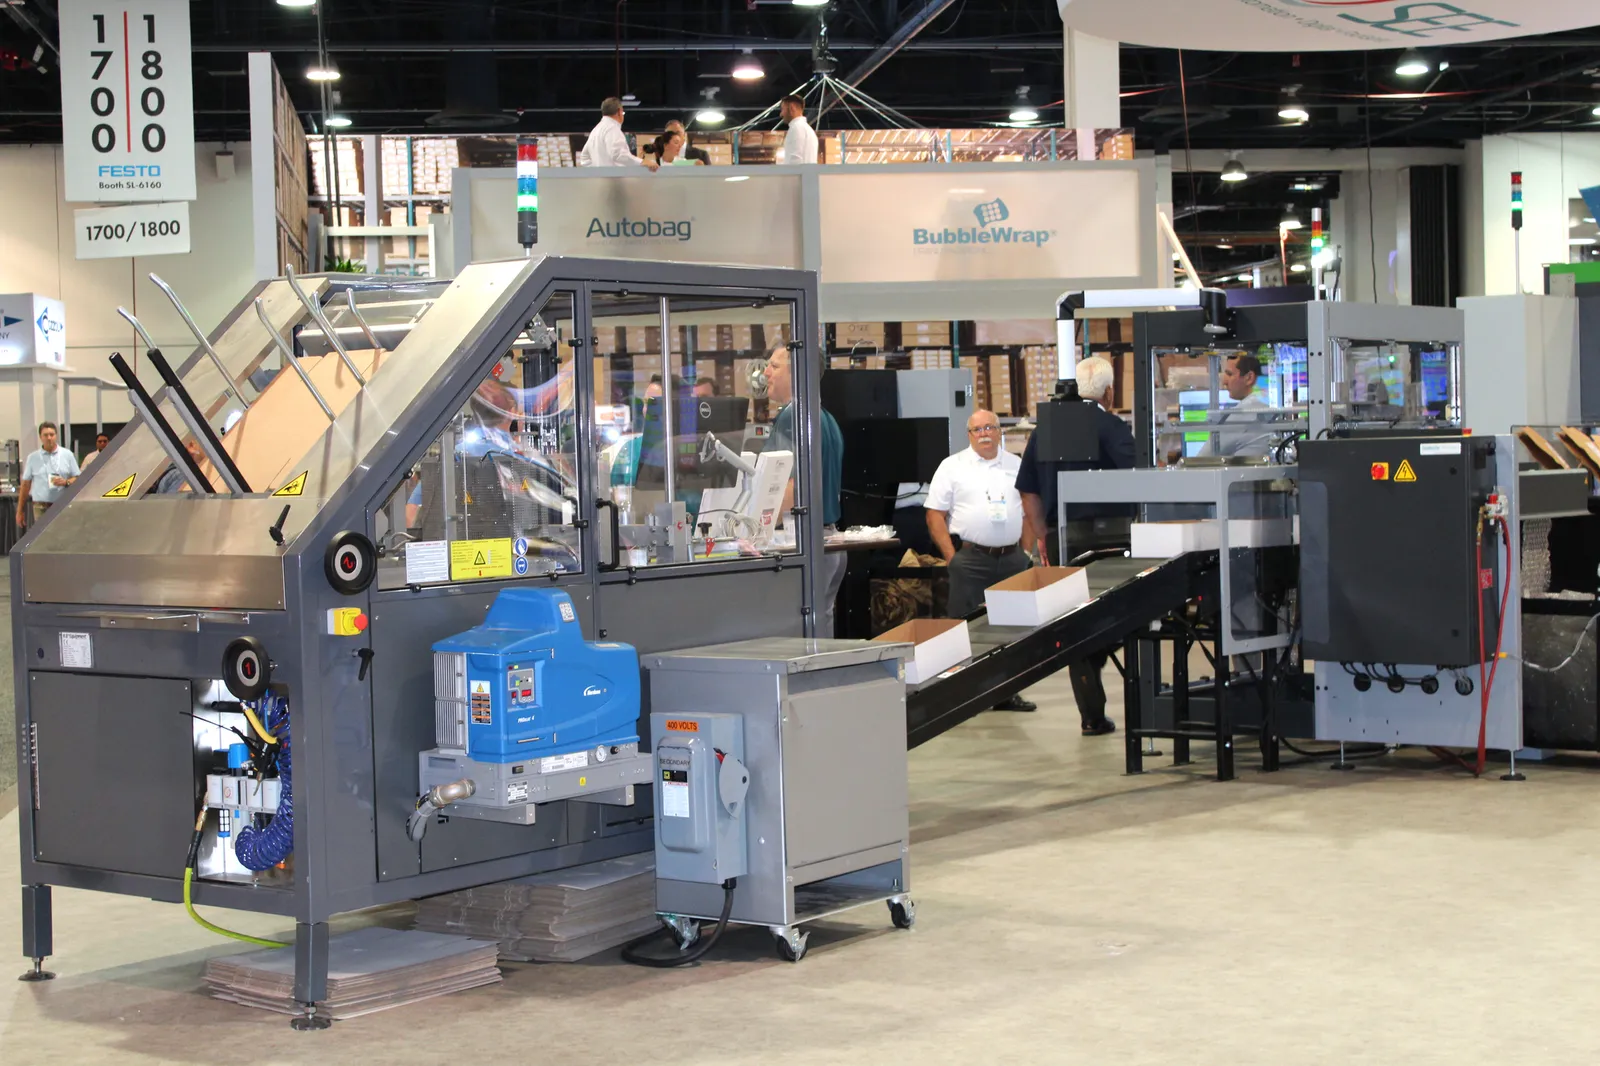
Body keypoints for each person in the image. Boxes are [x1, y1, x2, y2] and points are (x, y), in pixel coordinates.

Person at [1016, 356, 1135, 736]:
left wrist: (1043, 539)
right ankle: (1142, 706)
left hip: (1062, 537)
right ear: (1109, 392)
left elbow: (1028, 491)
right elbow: (1140, 479)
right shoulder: (1113, 427)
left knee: (1075, 622)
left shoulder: (1043, 432)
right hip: (1111, 538)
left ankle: (1091, 716)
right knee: (1129, 614)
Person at [925, 409, 1035, 712]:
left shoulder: (1016, 465)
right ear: (969, 435)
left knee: (1012, 629)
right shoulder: (952, 467)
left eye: (991, 427)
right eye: (978, 429)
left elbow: (1029, 510)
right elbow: (934, 514)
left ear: (1000, 432)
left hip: (1012, 559)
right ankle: (962, 695)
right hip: (971, 559)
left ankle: (1006, 693)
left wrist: (1025, 553)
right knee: (965, 627)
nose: (985, 433)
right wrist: (951, 556)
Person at [762, 343, 845, 633]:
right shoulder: (824, 417)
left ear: (797, 371)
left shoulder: (793, 416)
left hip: (801, 541)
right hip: (829, 541)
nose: (765, 372)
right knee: (820, 628)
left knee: (797, 632)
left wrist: (750, 527)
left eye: (774, 365)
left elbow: (790, 487)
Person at [1200, 354, 1275, 458]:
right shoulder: (1265, 406)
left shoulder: (1242, 415)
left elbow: (1202, 459)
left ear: (1249, 378)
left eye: (1230, 374)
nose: (1224, 382)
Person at [17, 421, 81, 529]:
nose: (49, 438)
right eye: (45, 435)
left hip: (61, 504)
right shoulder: (33, 457)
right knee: (42, 537)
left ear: (56, 436)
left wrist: (66, 482)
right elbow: (26, 484)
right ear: (40, 437)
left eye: (52, 434)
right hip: (40, 507)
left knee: (61, 535)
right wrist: (20, 510)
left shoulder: (67, 455)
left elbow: (78, 478)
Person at [578, 97, 658, 170]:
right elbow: (618, 154)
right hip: (614, 182)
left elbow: (584, 158)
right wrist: (642, 162)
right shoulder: (612, 128)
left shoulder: (595, 131)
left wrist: (598, 172)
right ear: (619, 112)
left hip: (600, 182)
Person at [777, 95, 818, 165]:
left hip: (798, 175)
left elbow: (795, 161)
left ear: (791, 108)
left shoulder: (796, 128)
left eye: (782, 109)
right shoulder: (808, 129)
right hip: (807, 175)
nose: (781, 114)